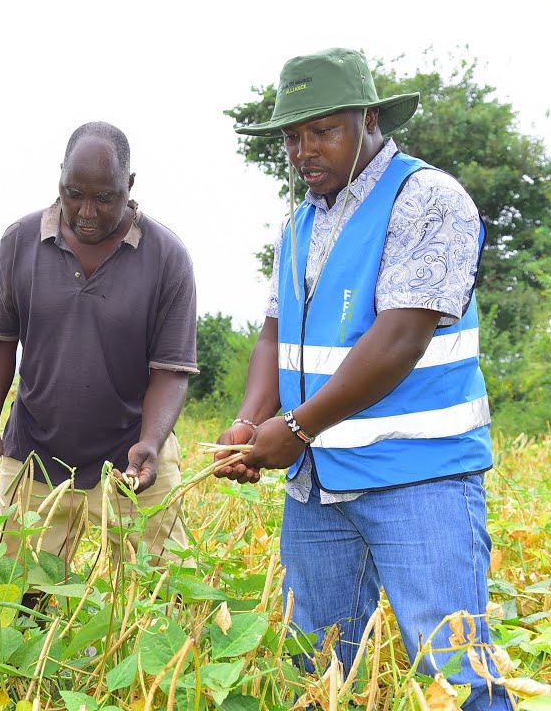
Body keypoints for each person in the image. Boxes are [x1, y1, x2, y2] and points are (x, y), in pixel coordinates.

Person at [214, 49, 515, 710]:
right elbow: (275, 332)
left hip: (419, 478)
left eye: (322, 130)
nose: (303, 151)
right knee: (316, 673)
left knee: (455, 673)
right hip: (318, 487)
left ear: (370, 118)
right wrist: (248, 420)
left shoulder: (429, 199)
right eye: (293, 137)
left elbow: (400, 337)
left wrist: (293, 428)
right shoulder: (299, 223)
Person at [0, 121, 199, 590]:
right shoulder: (19, 242)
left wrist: (151, 442)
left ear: (129, 187)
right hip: (34, 448)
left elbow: (171, 370)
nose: (86, 212)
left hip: (133, 453)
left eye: (105, 198)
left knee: (168, 594)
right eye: (74, 193)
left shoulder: (167, 257)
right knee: (15, 595)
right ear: (59, 179)